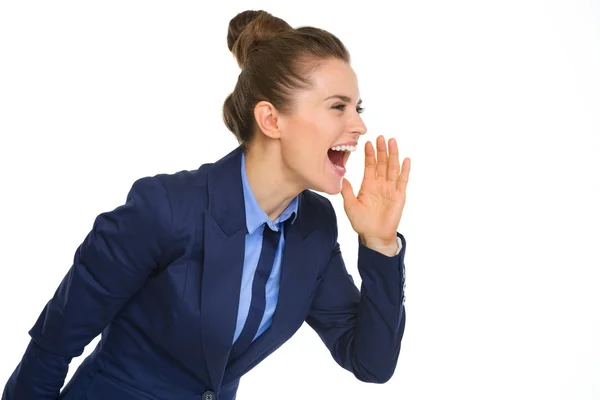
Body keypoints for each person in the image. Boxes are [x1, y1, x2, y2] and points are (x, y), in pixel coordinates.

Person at [2, 9, 411, 400]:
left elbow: (371, 362)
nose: (359, 126)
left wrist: (380, 244)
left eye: (357, 108)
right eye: (338, 106)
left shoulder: (314, 226)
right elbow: (53, 347)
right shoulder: (165, 208)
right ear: (271, 120)